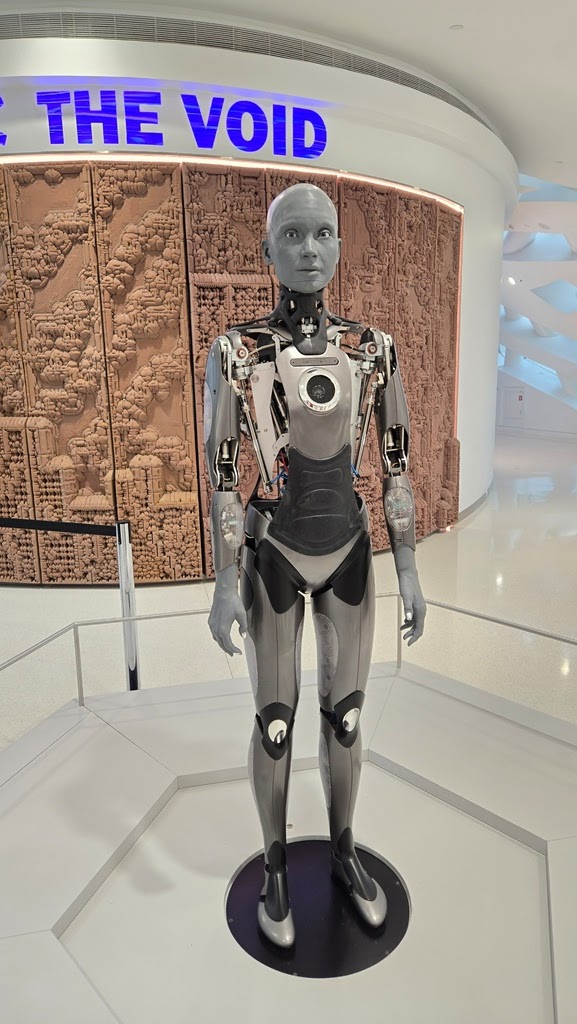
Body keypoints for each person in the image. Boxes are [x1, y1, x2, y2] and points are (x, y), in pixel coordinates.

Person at [204, 182, 426, 948]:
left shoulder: (374, 348)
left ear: (338, 244)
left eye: (322, 232)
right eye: (292, 234)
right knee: (274, 723)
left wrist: (409, 568)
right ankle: (273, 867)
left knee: (348, 715)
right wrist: (224, 581)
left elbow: (396, 465)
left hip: (349, 552)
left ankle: (342, 849)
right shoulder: (236, 351)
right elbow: (222, 473)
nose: (307, 249)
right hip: (272, 551)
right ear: (267, 249)